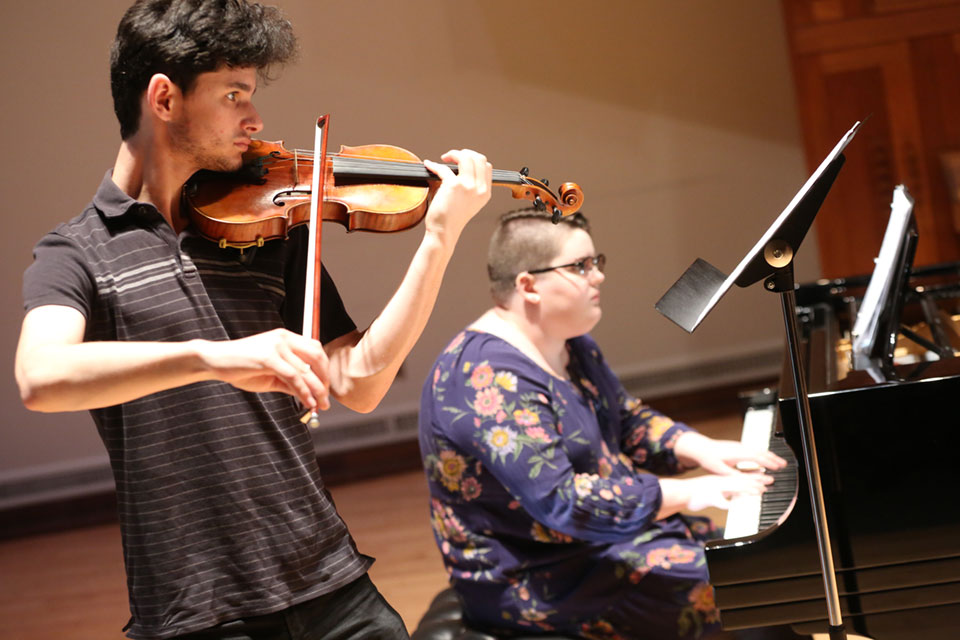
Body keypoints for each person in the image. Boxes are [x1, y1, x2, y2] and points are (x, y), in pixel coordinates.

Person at [14, 1, 491, 638]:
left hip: (332, 586)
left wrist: (438, 239)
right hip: (196, 610)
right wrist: (216, 356)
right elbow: (41, 378)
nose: (256, 119)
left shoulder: (267, 233)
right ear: (164, 98)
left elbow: (362, 383)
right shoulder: (77, 252)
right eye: (234, 94)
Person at [418, 210, 786, 639]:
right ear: (528, 285)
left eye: (596, 263)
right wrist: (691, 492)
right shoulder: (487, 377)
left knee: (763, 564)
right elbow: (563, 502)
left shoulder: (569, 342)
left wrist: (700, 447)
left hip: (599, 543)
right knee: (742, 591)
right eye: (580, 266)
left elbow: (624, 418)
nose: (598, 277)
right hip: (539, 575)